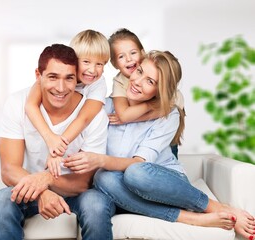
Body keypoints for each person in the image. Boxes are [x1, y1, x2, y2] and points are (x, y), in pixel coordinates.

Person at [63, 50, 255, 240]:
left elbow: (138, 163)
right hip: (117, 189)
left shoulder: (167, 115)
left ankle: (216, 208)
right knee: (100, 184)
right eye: (139, 72)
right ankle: (189, 218)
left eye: (150, 81)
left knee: (135, 172)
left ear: (159, 90)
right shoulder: (103, 106)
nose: (138, 82)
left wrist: (100, 159)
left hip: (161, 186)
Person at [0, 43, 112, 240]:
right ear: (39, 76)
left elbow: (83, 182)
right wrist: (42, 192)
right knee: (3, 199)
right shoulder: (17, 103)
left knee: (96, 203)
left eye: (69, 78)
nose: (61, 88)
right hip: (31, 189)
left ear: (77, 78)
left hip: (76, 193)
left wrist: (48, 179)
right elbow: (9, 169)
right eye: (53, 77)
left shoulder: (95, 115)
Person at [25, 29, 110, 177]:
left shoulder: (98, 84)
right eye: (86, 62)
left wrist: (57, 150)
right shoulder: (53, 74)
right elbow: (30, 105)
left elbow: (84, 118)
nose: (92, 70)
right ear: (74, 61)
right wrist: (50, 138)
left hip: (81, 137)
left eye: (100, 64)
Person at [108, 28, 185, 157]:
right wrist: (150, 106)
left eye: (133, 53)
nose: (128, 59)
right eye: (121, 56)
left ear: (142, 53)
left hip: (165, 134)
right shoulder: (120, 81)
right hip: (138, 138)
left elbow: (169, 110)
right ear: (114, 64)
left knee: (168, 153)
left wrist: (139, 114)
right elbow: (124, 115)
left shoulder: (165, 84)